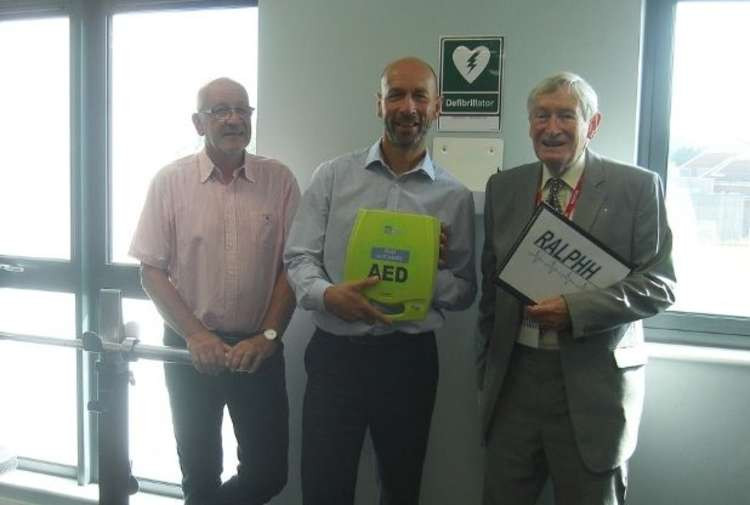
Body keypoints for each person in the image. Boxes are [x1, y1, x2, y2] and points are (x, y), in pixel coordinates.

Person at [284, 57, 477, 505]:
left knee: (401, 487)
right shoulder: (333, 176)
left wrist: (423, 279)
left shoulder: (455, 196)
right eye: (396, 94)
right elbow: (298, 258)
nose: (407, 106)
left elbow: (465, 288)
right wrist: (329, 296)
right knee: (324, 488)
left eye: (419, 96)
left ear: (436, 108)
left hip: (408, 362)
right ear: (379, 103)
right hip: (337, 358)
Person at [477, 72, 676, 505]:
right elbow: (489, 292)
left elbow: (660, 285)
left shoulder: (637, 188)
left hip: (594, 385)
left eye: (566, 115)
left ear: (593, 123)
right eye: (541, 116)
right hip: (514, 382)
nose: (552, 128)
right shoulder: (503, 188)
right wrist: (485, 369)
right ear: (529, 124)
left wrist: (576, 309)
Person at [129, 77, 300, 505]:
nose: (233, 119)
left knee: (268, 474)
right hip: (191, 349)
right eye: (220, 110)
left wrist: (268, 335)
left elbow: (294, 267)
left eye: (242, 110)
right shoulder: (170, 182)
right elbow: (151, 270)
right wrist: (195, 335)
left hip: (257, 347)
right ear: (197, 122)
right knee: (200, 473)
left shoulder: (279, 181)